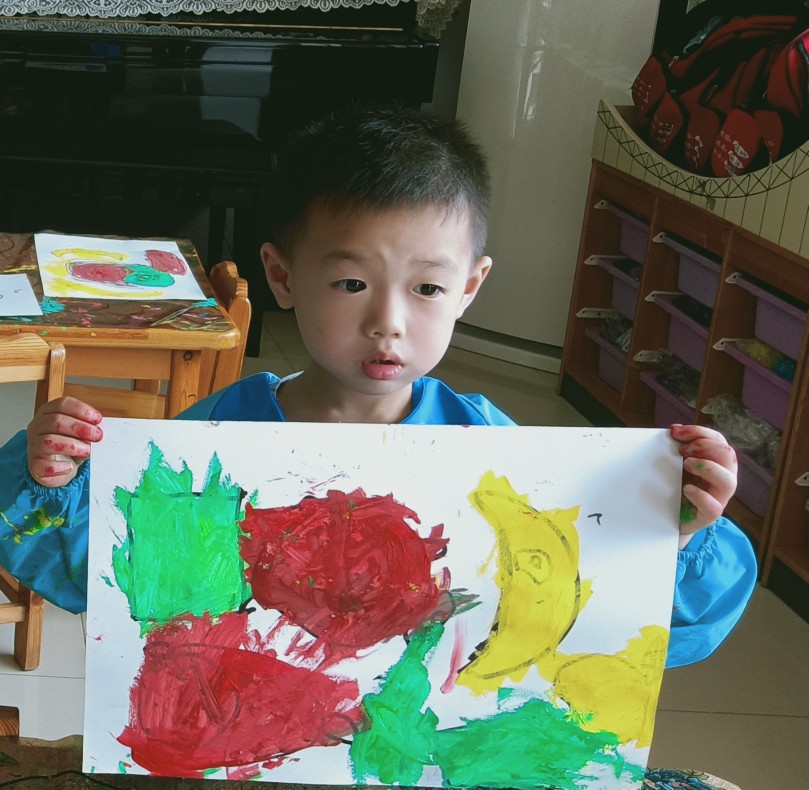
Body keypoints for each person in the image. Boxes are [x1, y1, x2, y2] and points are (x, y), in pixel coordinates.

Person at [0, 103, 755, 671]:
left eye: (427, 288)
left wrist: (675, 532)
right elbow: (101, 580)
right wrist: (52, 479)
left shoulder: (491, 448)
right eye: (352, 283)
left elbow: (617, 617)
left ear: (469, 288)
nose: (388, 323)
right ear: (282, 276)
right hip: (246, 745)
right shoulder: (217, 440)